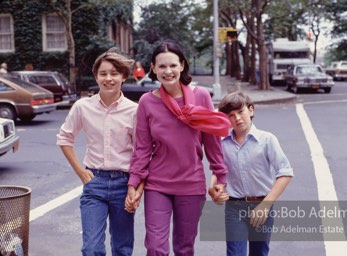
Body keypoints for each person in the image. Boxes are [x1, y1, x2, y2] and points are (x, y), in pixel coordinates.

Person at [125, 39, 231, 256]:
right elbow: (142, 148)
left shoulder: (201, 96)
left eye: (173, 65)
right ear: (153, 69)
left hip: (191, 184)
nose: (168, 71)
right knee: (155, 248)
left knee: (184, 249)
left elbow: (212, 142)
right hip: (158, 185)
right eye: (162, 66)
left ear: (182, 65)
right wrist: (134, 182)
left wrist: (220, 176)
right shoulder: (146, 102)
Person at [56, 48, 142, 256]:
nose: (108, 78)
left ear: (123, 76)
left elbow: (142, 152)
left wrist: (136, 188)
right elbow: (64, 138)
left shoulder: (135, 110)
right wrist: (80, 172)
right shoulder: (82, 107)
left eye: (114, 73)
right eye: (103, 73)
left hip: (124, 183)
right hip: (95, 183)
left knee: (122, 248)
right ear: (96, 76)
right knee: (91, 248)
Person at [218, 91, 294, 256]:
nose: (237, 118)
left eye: (240, 112)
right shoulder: (223, 143)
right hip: (234, 207)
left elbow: (285, 172)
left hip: (262, 206)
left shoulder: (267, 140)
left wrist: (266, 205)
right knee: (234, 253)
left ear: (251, 110)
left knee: (259, 253)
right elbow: (219, 171)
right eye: (231, 115)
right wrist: (216, 188)